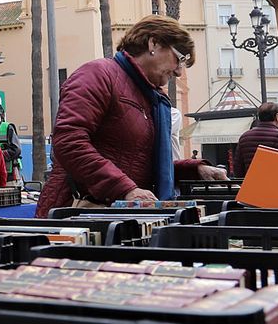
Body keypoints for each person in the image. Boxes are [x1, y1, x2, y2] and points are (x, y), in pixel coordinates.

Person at [36, 16, 227, 215]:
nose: (179, 71)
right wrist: (124, 188)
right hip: (78, 213)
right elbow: (68, 141)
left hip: (117, 215)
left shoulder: (151, 96)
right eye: (180, 59)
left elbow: (141, 164)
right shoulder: (97, 74)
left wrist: (194, 169)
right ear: (153, 43)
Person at [232, 102, 278, 178]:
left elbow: (238, 168)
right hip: (275, 185)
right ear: (277, 116)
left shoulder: (244, 138)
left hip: (251, 185)